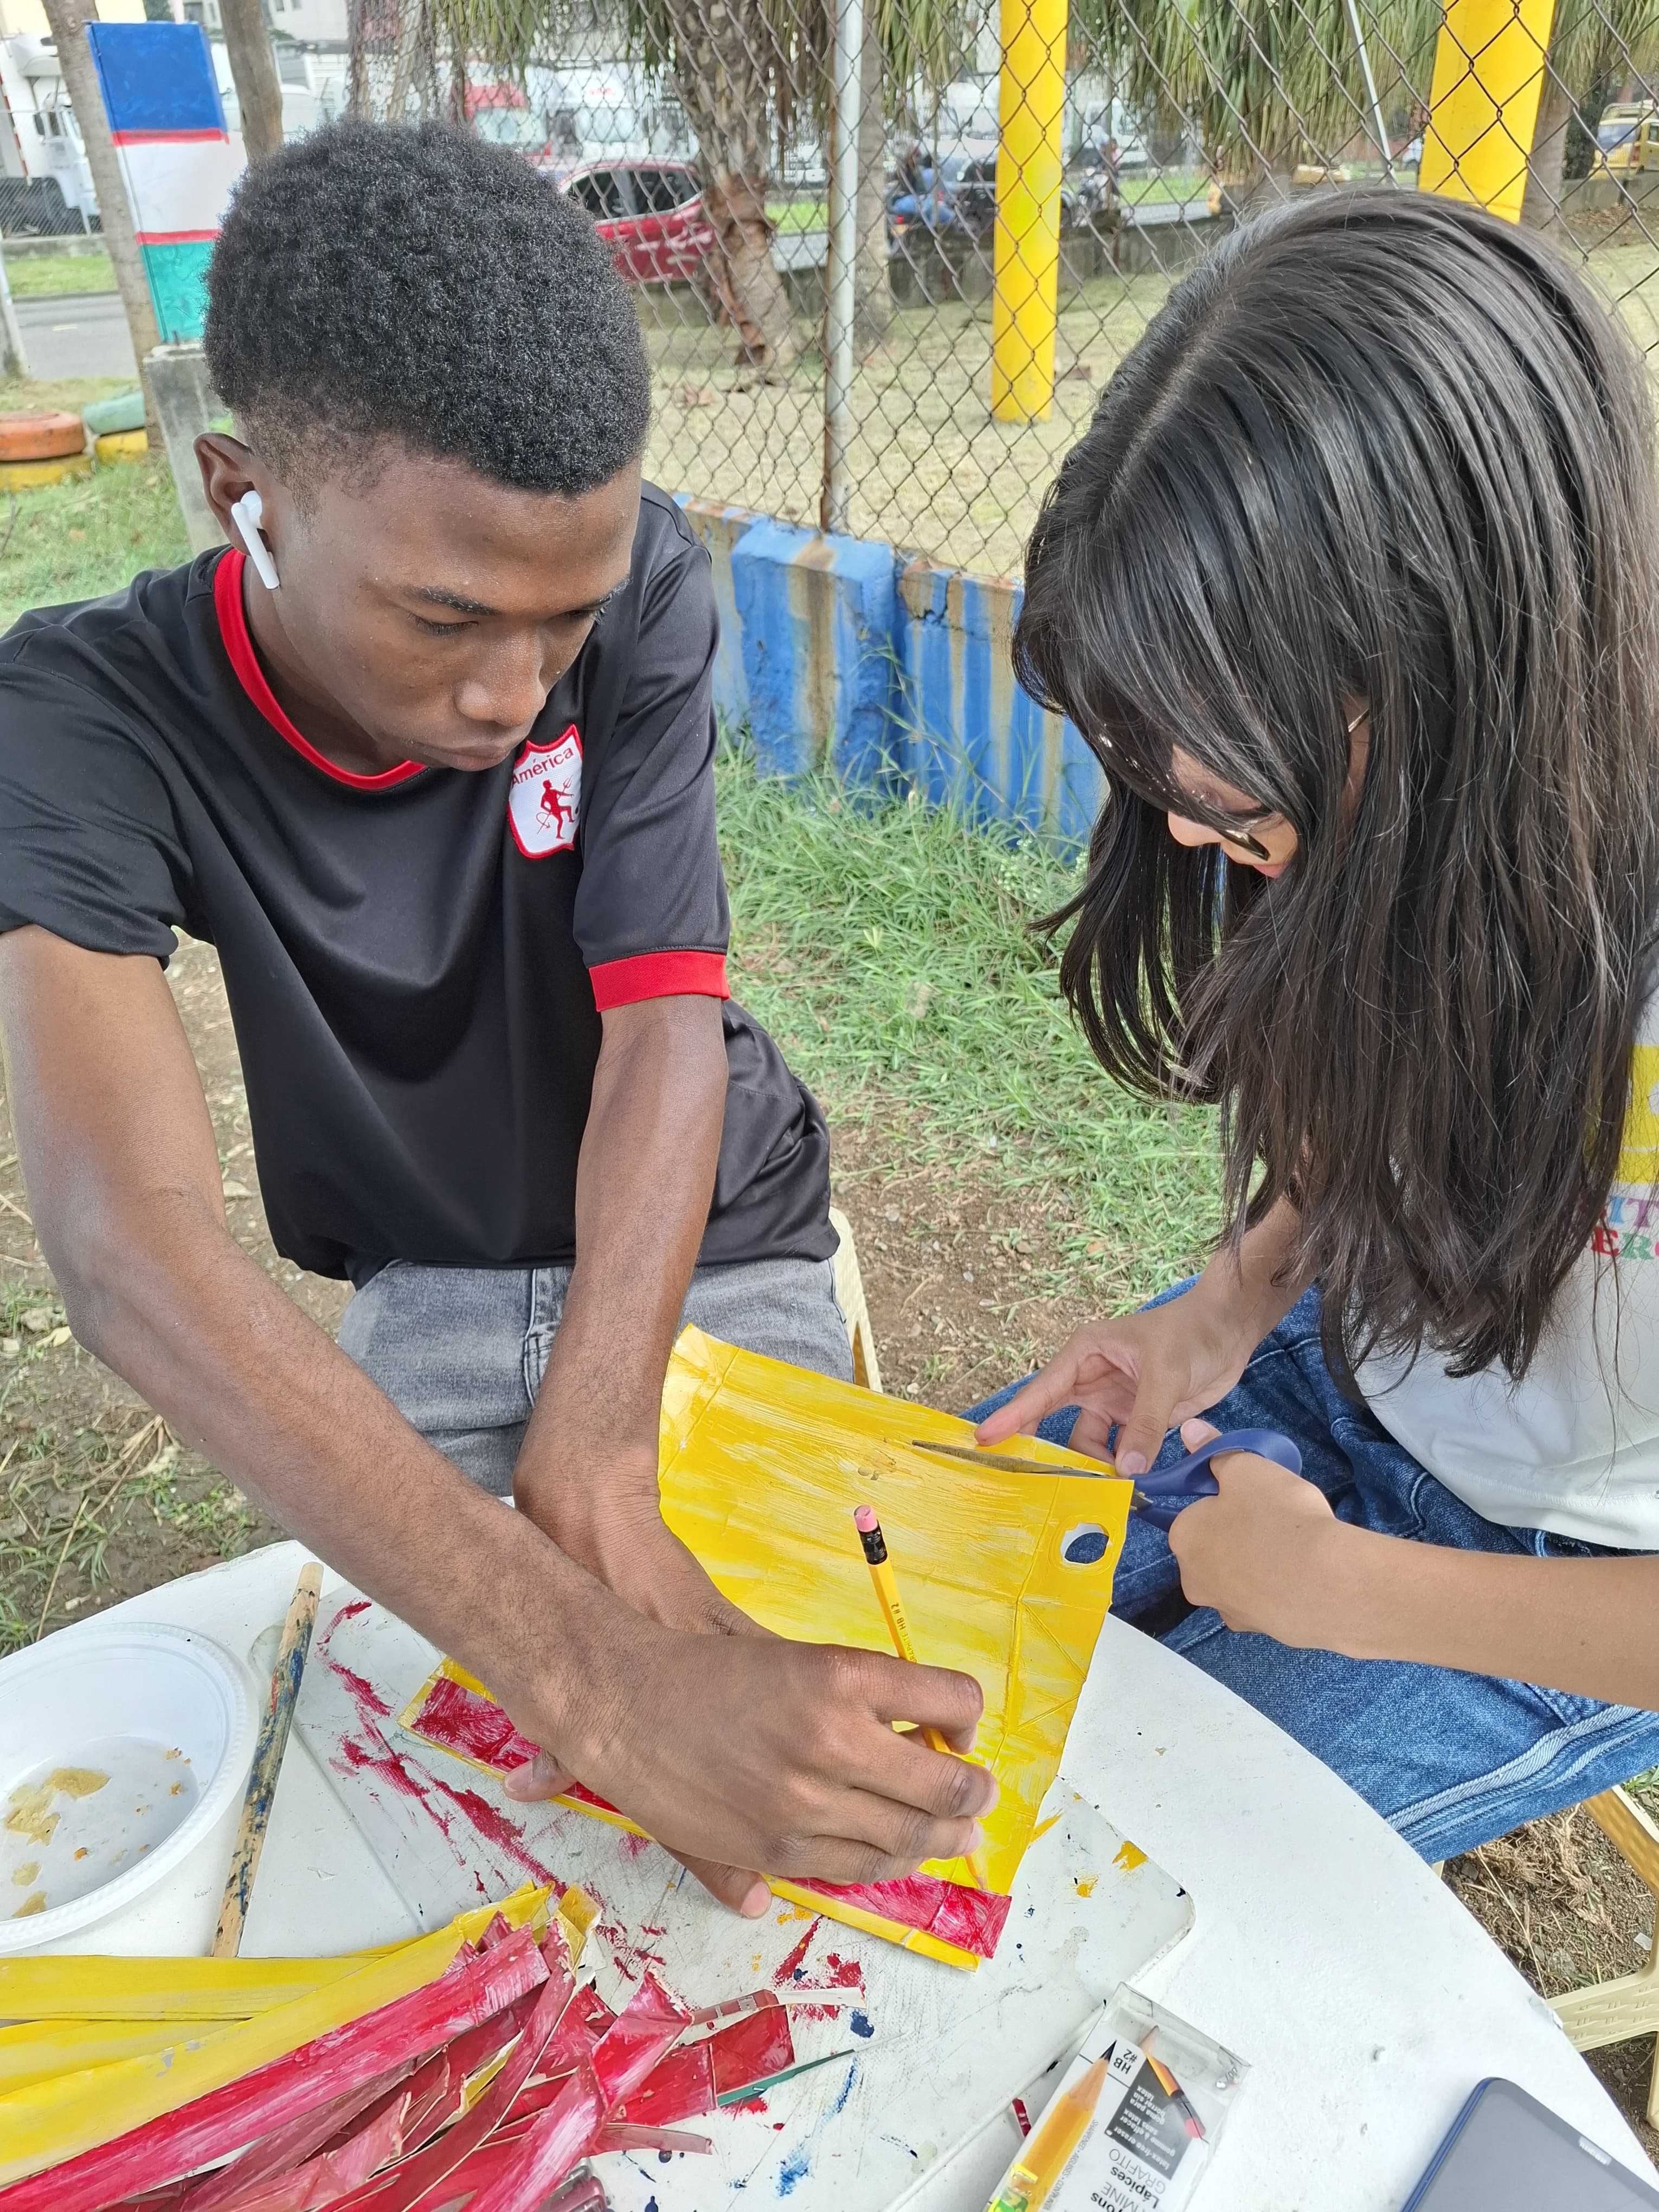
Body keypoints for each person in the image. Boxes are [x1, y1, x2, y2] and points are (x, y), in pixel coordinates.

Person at [0, 121, 992, 1912]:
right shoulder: (80, 719)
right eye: (446, 616)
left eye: (563, 626)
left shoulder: (649, 594)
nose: (509, 689)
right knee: (486, 1850)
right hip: (430, 1282)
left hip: (704, 1236)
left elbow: (663, 1021)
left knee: (806, 1835)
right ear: (244, 488)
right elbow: (121, 1239)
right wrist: (593, 1671)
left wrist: (603, 1430)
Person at [975, 189, 1659, 1863]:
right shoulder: (1440, 805)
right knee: (918, 1600)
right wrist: (1231, 1302)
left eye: (1221, 760)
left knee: (1102, 1857)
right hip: (1347, 1361)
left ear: (1464, 656)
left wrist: (1346, 1592)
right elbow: (1414, 1101)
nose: (1187, 826)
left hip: (1570, 1574)